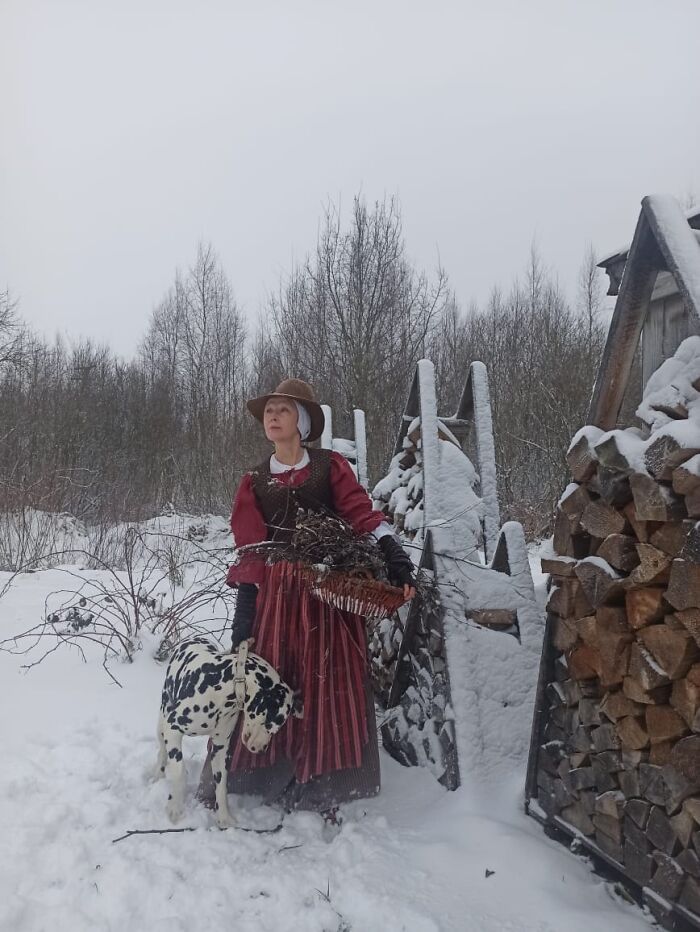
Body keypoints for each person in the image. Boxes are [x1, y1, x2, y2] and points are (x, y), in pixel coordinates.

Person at [198, 378, 415, 817]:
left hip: (326, 590)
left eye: (282, 409)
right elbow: (250, 550)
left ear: (301, 420)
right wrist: (245, 611)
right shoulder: (254, 481)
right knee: (273, 676)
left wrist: (394, 553)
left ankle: (325, 775)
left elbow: (361, 515)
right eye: (268, 411)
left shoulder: (329, 467)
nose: (272, 417)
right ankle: (261, 772)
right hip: (277, 598)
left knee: (326, 678)